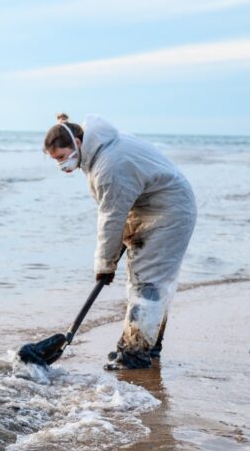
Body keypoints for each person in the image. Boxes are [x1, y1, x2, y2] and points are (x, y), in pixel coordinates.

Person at [44, 114, 196, 370]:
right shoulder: (101, 149)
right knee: (146, 280)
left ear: (78, 143)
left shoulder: (109, 166)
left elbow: (111, 218)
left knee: (147, 281)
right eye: (55, 160)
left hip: (169, 212)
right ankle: (145, 347)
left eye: (61, 157)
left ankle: (135, 354)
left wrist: (104, 264)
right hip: (148, 206)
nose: (61, 164)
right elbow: (118, 208)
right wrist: (111, 257)